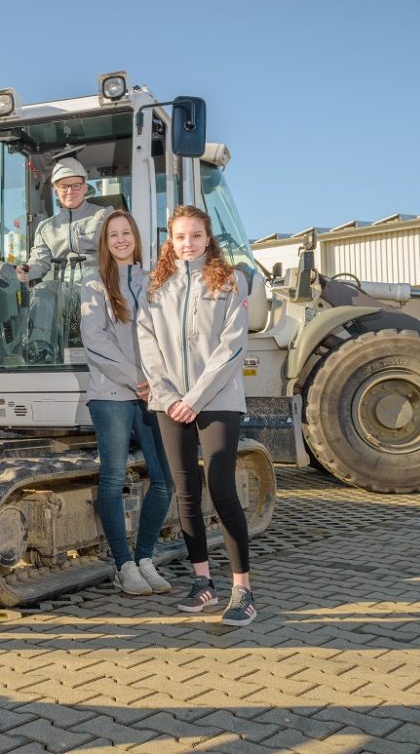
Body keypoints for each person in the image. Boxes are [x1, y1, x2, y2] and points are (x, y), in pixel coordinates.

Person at [136, 204, 257, 626]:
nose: (188, 244)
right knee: (185, 490)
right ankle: (202, 580)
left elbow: (233, 346)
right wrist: (171, 398)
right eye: (181, 237)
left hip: (219, 399)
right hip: (169, 403)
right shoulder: (156, 287)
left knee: (221, 485)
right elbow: (147, 346)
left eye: (196, 236)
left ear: (209, 239)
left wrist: (196, 398)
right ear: (171, 240)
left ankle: (243, 589)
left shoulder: (229, 281)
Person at [80, 210, 174, 595]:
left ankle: (146, 557)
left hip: (155, 394)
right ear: (105, 242)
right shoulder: (94, 283)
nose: (120, 239)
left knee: (164, 481)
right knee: (114, 478)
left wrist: (160, 381)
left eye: (126, 233)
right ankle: (124, 564)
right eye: (112, 234)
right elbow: (95, 340)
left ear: (136, 237)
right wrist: (132, 377)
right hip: (113, 394)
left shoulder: (154, 281)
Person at [15, 157, 111, 363]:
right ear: (55, 189)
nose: (70, 191)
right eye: (64, 186)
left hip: (98, 289)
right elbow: (39, 263)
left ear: (85, 187)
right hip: (64, 295)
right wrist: (27, 271)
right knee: (43, 291)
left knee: (49, 291)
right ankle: (40, 354)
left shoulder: (104, 216)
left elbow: (120, 250)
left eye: (76, 185)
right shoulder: (46, 227)